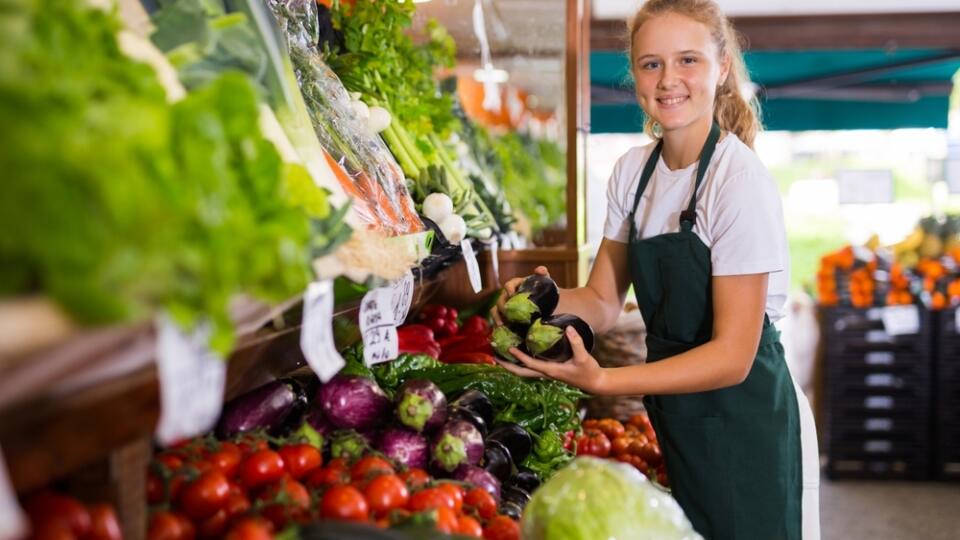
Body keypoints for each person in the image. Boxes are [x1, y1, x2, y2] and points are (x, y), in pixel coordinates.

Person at [493, 1, 820, 538]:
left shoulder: (737, 180)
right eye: (651, 64)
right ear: (636, 76)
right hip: (677, 411)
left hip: (744, 419)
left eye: (687, 60)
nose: (669, 79)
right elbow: (601, 300)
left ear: (721, 70)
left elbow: (733, 355)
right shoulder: (633, 172)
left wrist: (604, 379)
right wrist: (538, 299)